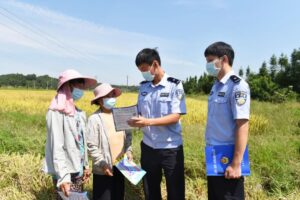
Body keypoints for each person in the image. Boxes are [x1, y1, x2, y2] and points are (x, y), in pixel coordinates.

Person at [128, 48, 186, 200]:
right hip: (148, 147)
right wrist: (133, 120)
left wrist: (148, 122)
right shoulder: (144, 87)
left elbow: (175, 116)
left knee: (175, 190)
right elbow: (139, 112)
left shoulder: (174, 85)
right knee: (150, 190)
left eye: (144, 70)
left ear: (155, 64)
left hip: (170, 149)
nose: (143, 74)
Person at [203, 42, 250, 200]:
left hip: (228, 156)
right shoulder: (216, 86)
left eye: (210, 60)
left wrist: (236, 163)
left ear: (223, 59)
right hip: (213, 154)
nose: (207, 65)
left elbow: (242, 124)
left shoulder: (237, 86)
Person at [43, 69, 97, 199]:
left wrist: (85, 166)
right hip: (65, 171)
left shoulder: (78, 113)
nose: (81, 90)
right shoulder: (56, 113)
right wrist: (63, 178)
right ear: (69, 86)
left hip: (77, 169)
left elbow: (81, 142)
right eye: (79, 85)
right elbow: (57, 146)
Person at [87, 83, 133, 200]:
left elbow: (128, 137)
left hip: (121, 166)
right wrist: (102, 164)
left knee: (118, 196)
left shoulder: (121, 115)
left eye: (113, 95)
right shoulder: (94, 119)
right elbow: (91, 145)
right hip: (103, 168)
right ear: (100, 100)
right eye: (108, 96)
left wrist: (128, 151)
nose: (112, 98)